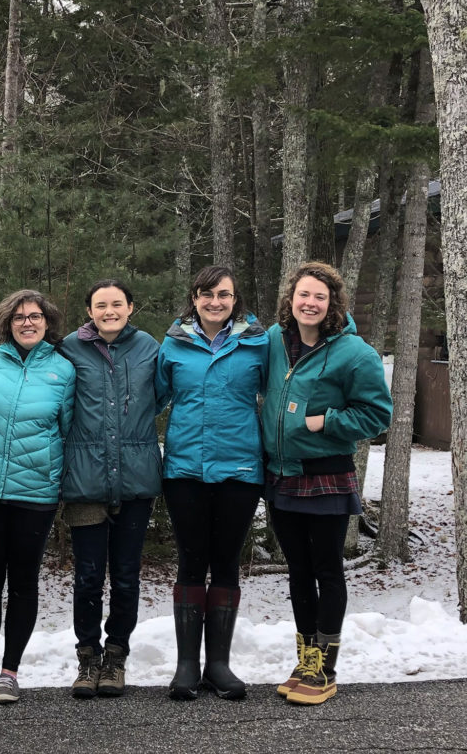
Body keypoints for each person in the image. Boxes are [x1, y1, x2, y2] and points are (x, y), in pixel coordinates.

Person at [261, 262, 391, 706]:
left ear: (332, 302)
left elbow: (377, 415)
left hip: (328, 476)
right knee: (298, 571)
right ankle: (306, 660)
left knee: (327, 570)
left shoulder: (356, 353)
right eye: (303, 294)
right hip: (281, 475)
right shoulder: (275, 342)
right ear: (291, 298)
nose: (310, 303)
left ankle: (326, 668)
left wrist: (325, 421)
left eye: (319, 296)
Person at [155, 266, 268, 701]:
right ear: (195, 297)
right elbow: (155, 398)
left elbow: (278, 391)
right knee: (190, 561)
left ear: (236, 299)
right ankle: (187, 666)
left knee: (225, 561)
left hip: (240, 471)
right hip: (184, 471)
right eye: (206, 294)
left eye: (223, 294)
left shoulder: (258, 344)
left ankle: (218, 665)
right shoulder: (174, 345)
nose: (215, 302)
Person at [0, 290, 75, 705]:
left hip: (36, 493)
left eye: (36, 316)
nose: (28, 323)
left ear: (48, 322)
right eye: (20, 317)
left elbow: (66, 428)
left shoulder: (62, 369)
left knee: (24, 580)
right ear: (7, 321)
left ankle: (10, 672)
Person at [59, 279, 161, 699]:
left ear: (131, 307)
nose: (109, 311)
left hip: (136, 478)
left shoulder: (150, 348)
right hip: (85, 479)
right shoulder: (69, 348)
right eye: (100, 305)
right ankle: (87, 658)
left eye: (117, 304)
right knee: (87, 576)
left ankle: (116, 656)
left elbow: (166, 393)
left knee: (124, 575)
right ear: (89, 310)